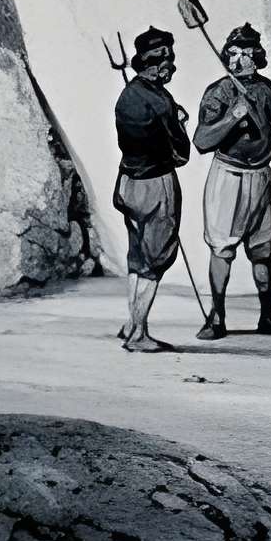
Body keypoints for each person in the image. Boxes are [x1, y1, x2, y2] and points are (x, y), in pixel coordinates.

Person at [192, 22, 271, 340]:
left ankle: (268, 316)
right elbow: (202, 141)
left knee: (263, 248)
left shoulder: (266, 89)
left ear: (257, 57)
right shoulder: (219, 92)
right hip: (228, 178)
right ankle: (216, 318)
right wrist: (233, 115)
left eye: (246, 54)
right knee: (222, 248)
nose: (238, 61)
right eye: (233, 53)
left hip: (261, 177)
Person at [112, 25, 190, 352]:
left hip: (127, 183)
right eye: (167, 59)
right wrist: (179, 122)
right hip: (156, 186)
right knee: (154, 262)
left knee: (137, 257)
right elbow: (181, 154)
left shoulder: (128, 94)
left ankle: (131, 323)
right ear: (154, 63)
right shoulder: (160, 100)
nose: (172, 65)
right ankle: (139, 335)